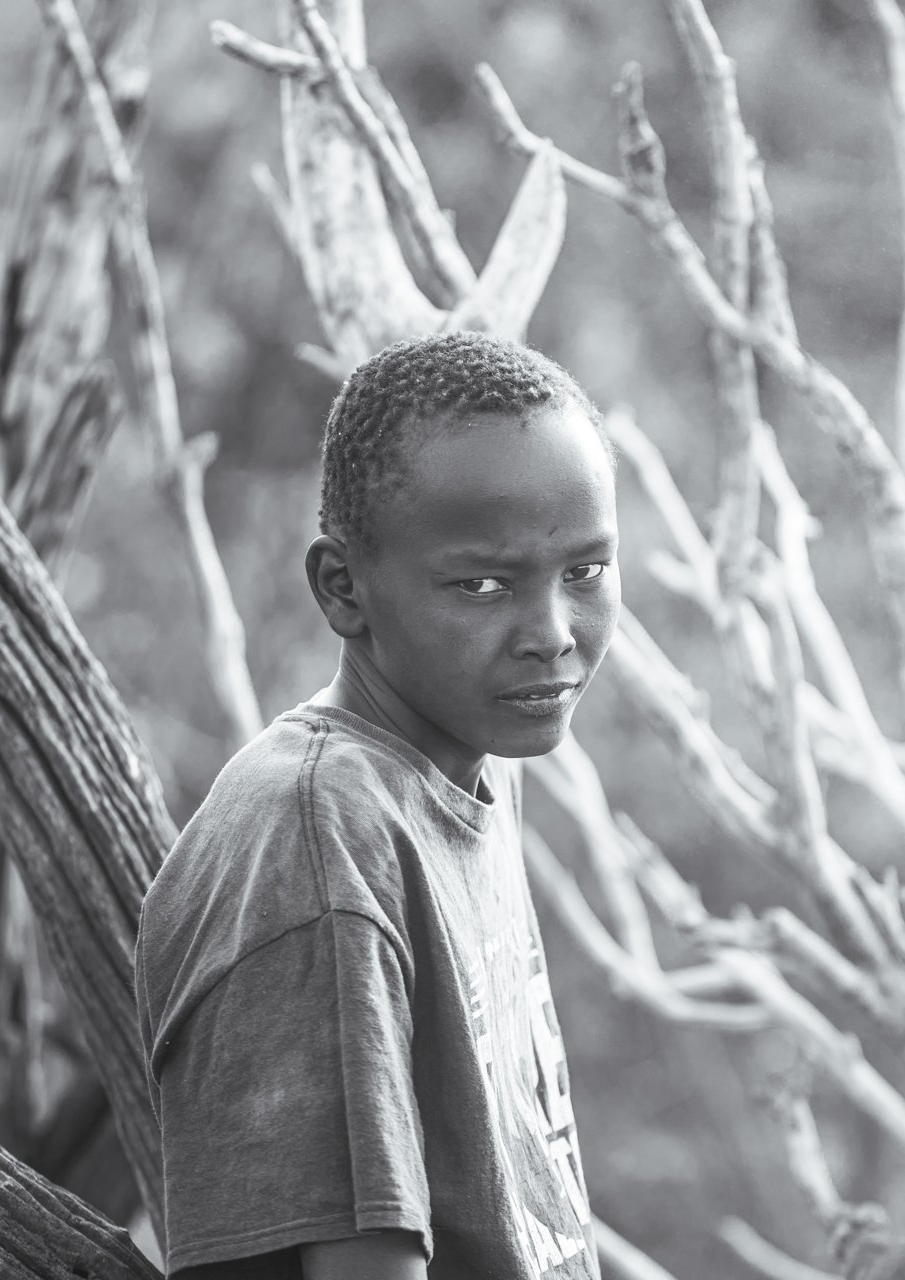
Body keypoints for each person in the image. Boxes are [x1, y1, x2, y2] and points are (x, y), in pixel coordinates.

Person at [136, 332, 617, 1280]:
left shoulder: (458, 763)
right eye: (483, 584)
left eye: (586, 573)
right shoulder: (319, 840)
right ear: (343, 588)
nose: (552, 635)